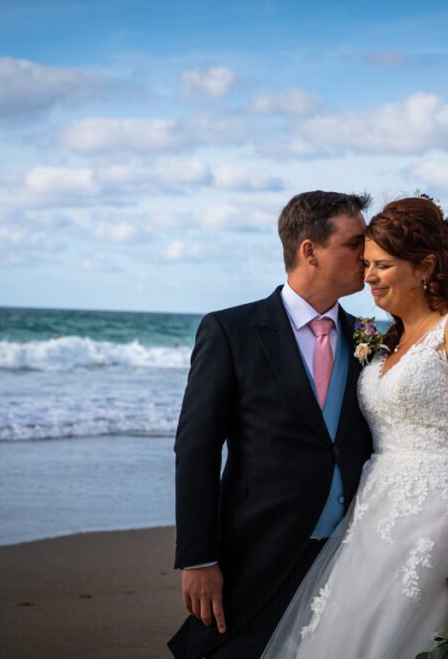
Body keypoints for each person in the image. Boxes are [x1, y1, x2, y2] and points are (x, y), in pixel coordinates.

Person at [262, 197, 448, 658]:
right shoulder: (387, 340)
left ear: (424, 267)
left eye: (382, 265)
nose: (368, 277)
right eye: (366, 264)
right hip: (375, 517)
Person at [169, 191, 375, 659]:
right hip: (258, 552)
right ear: (310, 251)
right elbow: (196, 449)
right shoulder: (231, 331)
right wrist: (199, 557)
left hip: (348, 556)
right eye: (354, 243)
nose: (367, 255)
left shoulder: (372, 338)